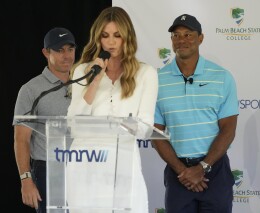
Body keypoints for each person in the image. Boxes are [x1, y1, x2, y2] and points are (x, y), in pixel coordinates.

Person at [67, 6, 158, 213]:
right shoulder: (83, 70)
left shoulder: (146, 73)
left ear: (128, 38)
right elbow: (73, 123)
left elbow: (145, 127)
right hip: (85, 161)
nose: (110, 42)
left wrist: (116, 127)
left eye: (117, 36)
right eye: (105, 36)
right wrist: (94, 81)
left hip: (123, 162)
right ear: (97, 38)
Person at [152, 14, 239, 213]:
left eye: (188, 34)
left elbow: (228, 130)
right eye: (176, 35)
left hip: (215, 171)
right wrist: (183, 171)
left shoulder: (222, 77)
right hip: (177, 172)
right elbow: (154, 133)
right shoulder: (157, 80)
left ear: (200, 38)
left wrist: (202, 168)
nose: (181, 40)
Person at [13, 27, 76, 213]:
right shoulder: (30, 89)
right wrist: (26, 180)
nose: (66, 55)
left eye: (70, 49)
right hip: (48, 170)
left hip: (84, 165)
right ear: (46, 52)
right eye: (59, 50)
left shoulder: (84, 83)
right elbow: (21, 139)